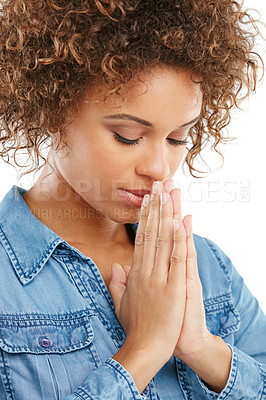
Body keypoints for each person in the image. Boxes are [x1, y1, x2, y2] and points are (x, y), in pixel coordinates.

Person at [0, 0, 265, 399]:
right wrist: (143, 351)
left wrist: (205, 351)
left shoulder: (209, 269)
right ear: (51, 111)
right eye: (127, 135)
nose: (160, 167)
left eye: (178, 138)